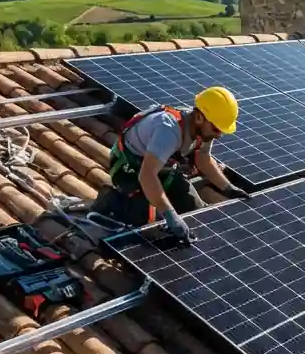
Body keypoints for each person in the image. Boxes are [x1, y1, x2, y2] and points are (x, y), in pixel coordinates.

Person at [92, 85, 249, 241]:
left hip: (163, 168)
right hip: (129, 168)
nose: (219, 135)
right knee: (145, 220)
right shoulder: (168, 130)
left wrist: (228, 188)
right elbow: (147, 175)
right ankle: (111, 199)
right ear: (200, 117)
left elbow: (203, 159)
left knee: (195, 208)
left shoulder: (204, 130)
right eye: (216, 129)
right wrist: (170, 215)